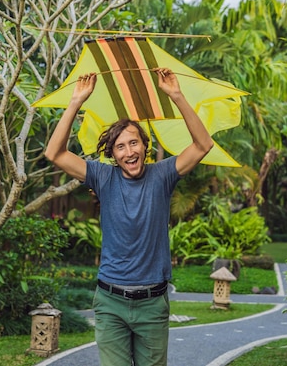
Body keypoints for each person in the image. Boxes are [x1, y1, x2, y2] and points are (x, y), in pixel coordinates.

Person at [44, 68, 213, 366]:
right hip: (111, 303)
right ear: (113, 154)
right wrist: (76, 101)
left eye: (134, 143)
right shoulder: (103, 177)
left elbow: (203, 145)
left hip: (152, 304)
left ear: (145, 147)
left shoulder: (163, 174)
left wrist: (175, 94)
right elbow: (55, 153)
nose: (128, 151)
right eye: (120, 146)